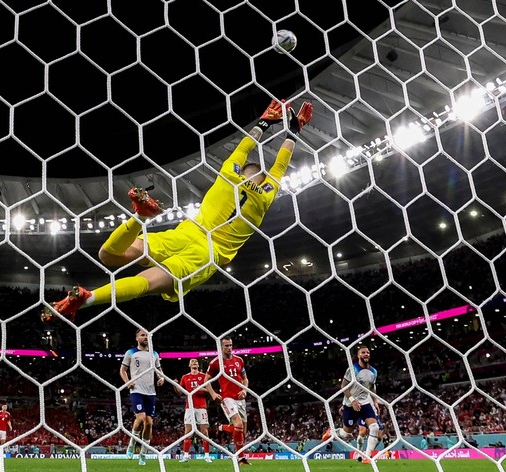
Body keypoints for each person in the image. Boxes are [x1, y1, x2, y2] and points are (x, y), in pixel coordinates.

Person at [42, 99, 314, 322]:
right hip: (208, 253)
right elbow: (280, 165)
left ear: (241, 170)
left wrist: (265, 122)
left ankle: (139, 216)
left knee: (109, 255)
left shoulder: (228, 173)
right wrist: (293, 133)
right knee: (146, 283)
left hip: (186, 231)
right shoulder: (266, 195)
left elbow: (245, 147)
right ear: (263, 180)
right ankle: (90, 299)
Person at [321, 346, 381, 464]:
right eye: (363, 352)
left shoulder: (374, 371)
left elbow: (372, 387)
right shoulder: (352, 369)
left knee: (374, 428)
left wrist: (375, 400)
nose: (366, 354)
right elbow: (344, 386)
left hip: (364, 403)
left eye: (368, 352)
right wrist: (353, 400)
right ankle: (332, 432)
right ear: (358, 355)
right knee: (345, 433)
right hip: (350, 404)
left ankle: (368, 457)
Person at [120, 329, 165, 466]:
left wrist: (161, 377)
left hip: (150, 392)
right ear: (137, 338)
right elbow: (122, 370)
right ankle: (132, 444)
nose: (145, 337)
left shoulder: (154, 354)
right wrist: (127, 382)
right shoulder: (131, 353)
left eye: (147, 335)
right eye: (143, 335)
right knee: (140, 418)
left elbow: (159, 370)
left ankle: (143, 454)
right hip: (136, 391)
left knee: (149, 423)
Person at [207, 338, 250, 464]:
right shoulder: (215, 362)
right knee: (238, 425)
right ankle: (241, 458)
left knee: (242, 431)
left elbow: (245, 379)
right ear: (221, 347)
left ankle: (221, 427)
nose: (229, 348)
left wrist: (244, 390)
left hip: (240, 398)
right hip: (227, 398)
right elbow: (206, 379)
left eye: (231, 345)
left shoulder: (239, 360)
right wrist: (213, 393)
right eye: (226, 346)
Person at [175, 358, 218, 463]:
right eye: (192, 362)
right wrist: (175, 385)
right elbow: (179, 392)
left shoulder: (204, 376)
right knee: (188, 432)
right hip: (189, 407)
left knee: (204, 432)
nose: (194, 363)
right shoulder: (185, 377)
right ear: (189, 365)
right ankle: (185, 456)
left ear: (198, 365)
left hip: (201, 407)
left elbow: (210, 390)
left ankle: (207, 456)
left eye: (196, 362)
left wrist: (201, 389)